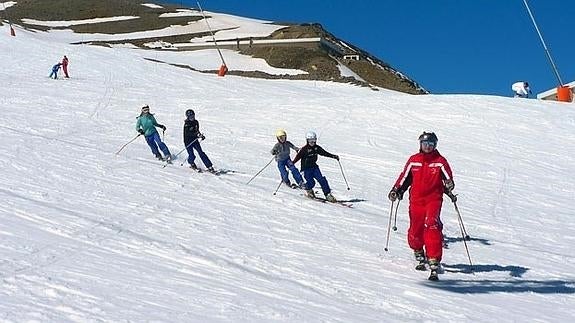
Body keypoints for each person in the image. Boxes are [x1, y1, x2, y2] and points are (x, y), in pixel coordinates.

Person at [388, 131, 454, 272]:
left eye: (431, 144)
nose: (427, 147)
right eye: (425, 144)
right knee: (415, 229)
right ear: (420, 144)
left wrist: (449, 183)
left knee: (431, 224)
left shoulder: (440, 161)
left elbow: (448, 177)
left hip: (433, 199)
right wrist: (396, 190)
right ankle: (418, 250)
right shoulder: (414, 160)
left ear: (435, 145)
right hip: (416, 200)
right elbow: (404, 178)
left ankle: (434, 257)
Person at [292, 131, 339, 202]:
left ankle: (328, 194)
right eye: (310, 141)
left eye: (314, 140)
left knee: (322, 180)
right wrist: (292, 163)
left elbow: (324, 153)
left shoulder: (317, 148)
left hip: (314, 167)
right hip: (306, 169)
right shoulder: (304, 149)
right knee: (311, 183)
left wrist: (333, 156)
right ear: (307, 140)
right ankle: (308, 189)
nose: (312, 142)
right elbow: (298, 157)